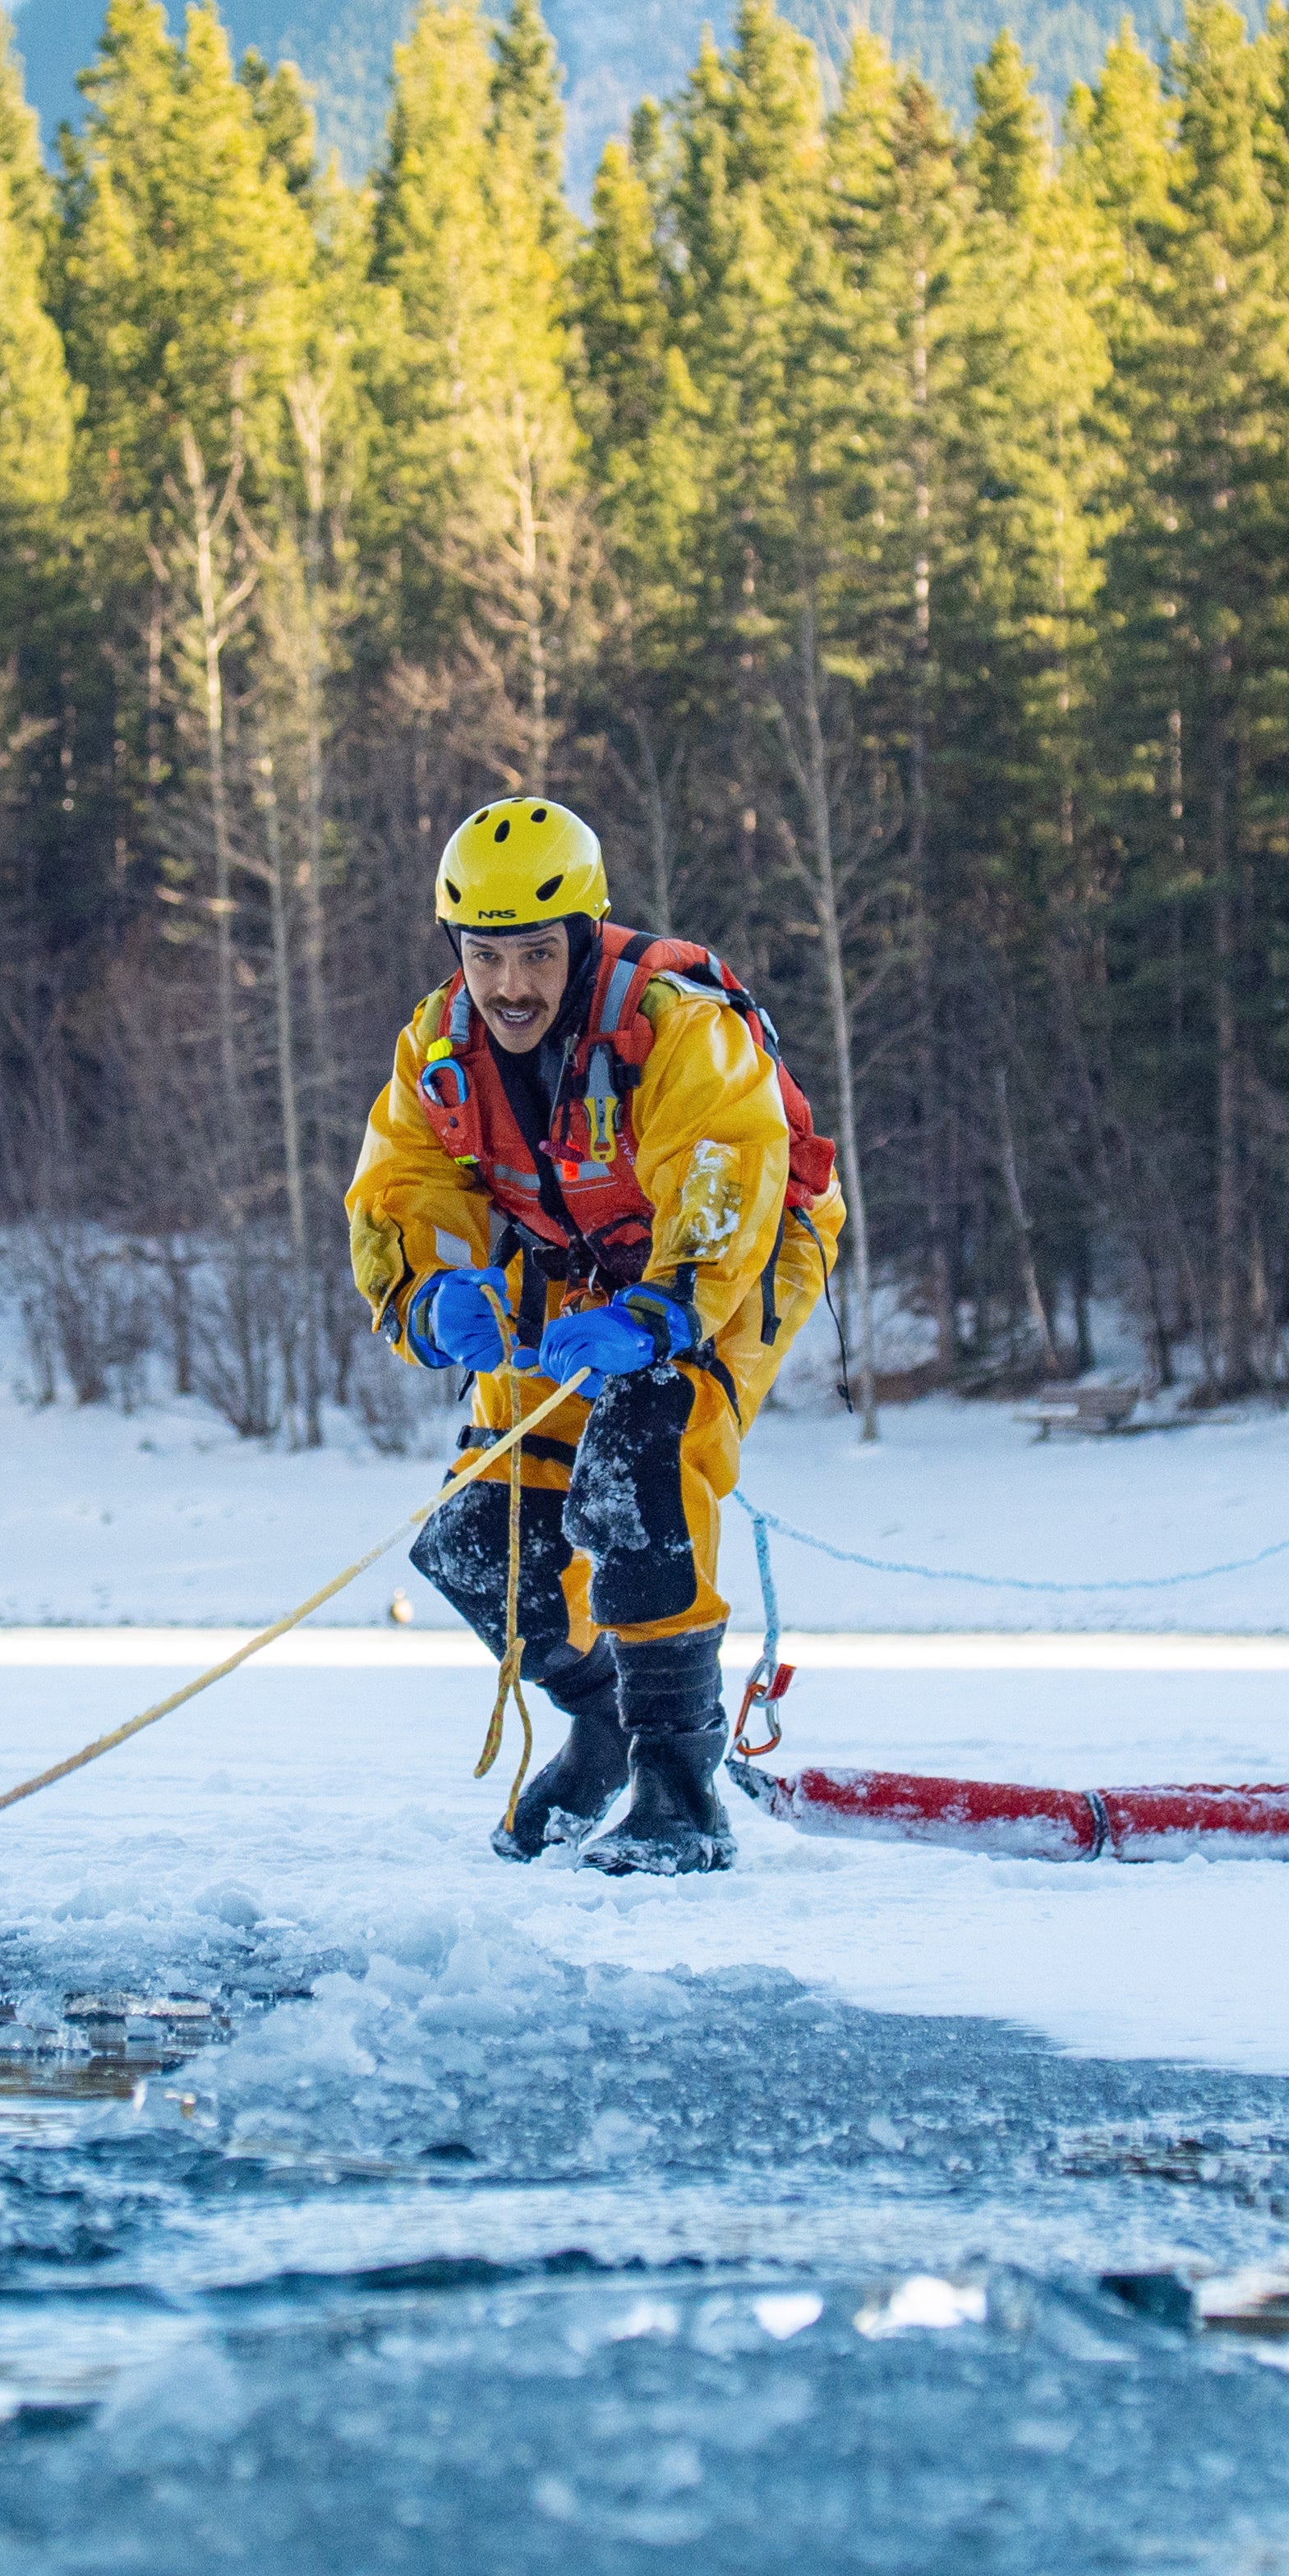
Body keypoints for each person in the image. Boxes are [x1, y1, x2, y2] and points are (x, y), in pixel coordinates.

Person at [345, 795, 846, 1873]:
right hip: (569, 1277)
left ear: (579, 939)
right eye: (487, 958)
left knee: (640, 1462)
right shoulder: (436, 1051)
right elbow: (402, 1183)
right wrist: (432, 1294)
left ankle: (679, 1780)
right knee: (476, 1544)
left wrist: (667, 1308)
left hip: (731, 1258)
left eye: (535, 955)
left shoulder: (672, 1023)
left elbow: (726, 1168)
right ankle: (605, 1722)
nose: (511, 986)